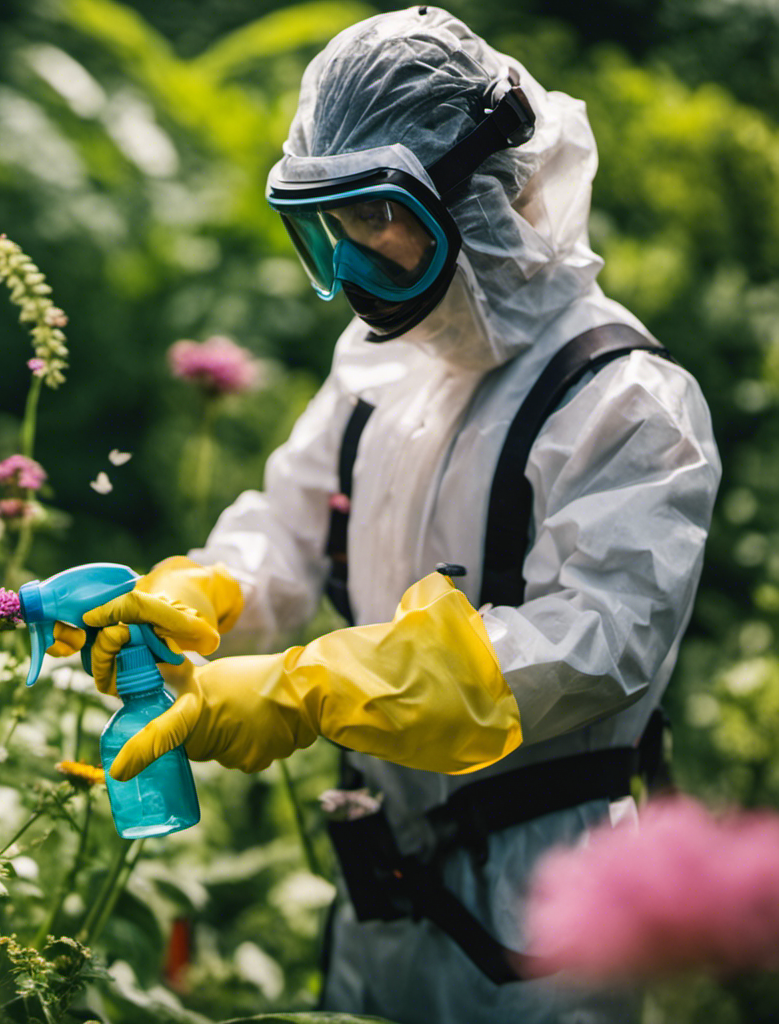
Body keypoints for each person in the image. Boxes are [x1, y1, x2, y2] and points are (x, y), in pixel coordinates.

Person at [50, 8, 721, 1022]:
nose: (356, 268)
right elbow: (284, 525)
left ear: (493, 192)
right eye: (331, 230)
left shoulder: (623, 403)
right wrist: (203, 595)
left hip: (546, 921)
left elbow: (593, 646)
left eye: (377, 221)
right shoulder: (378, 370)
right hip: (379, 899)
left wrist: (310, 688)